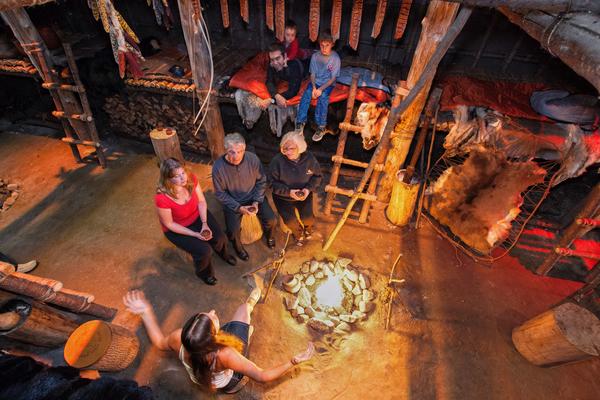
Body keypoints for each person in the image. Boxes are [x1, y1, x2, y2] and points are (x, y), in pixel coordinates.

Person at [123, 288, 315, 394]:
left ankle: (245, 327)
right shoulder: (226, 354)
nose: (213, 312)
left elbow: (158, 342)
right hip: (228, 378)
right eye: (212, 318)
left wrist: (146, 312)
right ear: (213, 337)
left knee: (239, 326)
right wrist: (294, 361)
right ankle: (248, 310)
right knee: (242, 311)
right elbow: (261, 376)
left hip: (206, 378)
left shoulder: (179, 338)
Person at [155, 158, 236, 286]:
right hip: (177, 228)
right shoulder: (162, 198)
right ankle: (204, 273)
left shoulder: (191, 179)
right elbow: (169, 224)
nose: (183, 178)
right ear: (168, 179)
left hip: (197, 215)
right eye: (177, 176)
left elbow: (202, 202)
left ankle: (223, 253)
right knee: (204, 251)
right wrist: (195, 234)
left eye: (183, 173)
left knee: (220, 237)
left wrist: (204, 224)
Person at [212, 133, 278, 261]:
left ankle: (270, 237)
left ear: (245, 149)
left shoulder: (252, 159)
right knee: (232, 230)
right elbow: (220, 193)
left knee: (271, 220)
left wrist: (256, 201)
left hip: (254, 196)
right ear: (225, 149)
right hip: (233, 201)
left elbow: (261, 180)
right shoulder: (218, 167)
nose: (236, 156)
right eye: (231, 152)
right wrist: (238, 208)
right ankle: (238, 248)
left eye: (240, 151)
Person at [269, 132, 322, 246]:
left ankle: (308, 229)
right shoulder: (277, 161)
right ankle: (298, 234)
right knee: (290, 221)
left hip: (304, 195)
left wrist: (308, 189)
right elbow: (271, 183)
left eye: (292, 148)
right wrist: (288, 192)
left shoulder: (309, 159)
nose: (288, 151)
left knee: (308, 218)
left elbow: (317, 176)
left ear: (300, 147)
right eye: (285, 148)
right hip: (283, 197)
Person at [295, 30, 341, 142]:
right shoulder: (315, 56)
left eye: (327, 45)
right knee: (306, 94)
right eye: (322, 45)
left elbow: (333, 78)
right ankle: (300, 122)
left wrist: (320, 90)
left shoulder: (335, 59)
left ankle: (321, 126)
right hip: (316, 82)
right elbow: (313, 74)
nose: (324, 48)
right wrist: (314, 88)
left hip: (328, 84)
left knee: (324, 97)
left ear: (332, 45)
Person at [260, 42, 308, 110]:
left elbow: (293, 91)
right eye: (272, 59)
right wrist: (276, 95)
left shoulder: (293, 67)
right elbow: (269, 82)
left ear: (285, 56)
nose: (275, 63)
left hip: (307, 66)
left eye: (278, 58)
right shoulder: (272, 64)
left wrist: (271, 100)